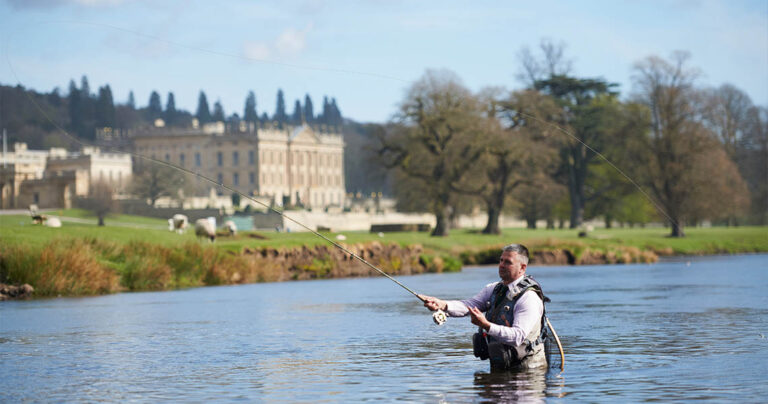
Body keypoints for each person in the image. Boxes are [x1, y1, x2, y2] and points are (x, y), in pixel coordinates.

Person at [419, 244, 549, 370]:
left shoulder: (529, 298)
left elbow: (517, 337)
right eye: (501, 260)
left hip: (529, 373)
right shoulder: (494, 289)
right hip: (503, 367)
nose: (501, 265)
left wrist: (486, 325)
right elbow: (470, 305)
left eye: (508, 262)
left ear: (522, 268)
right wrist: (442, 304)